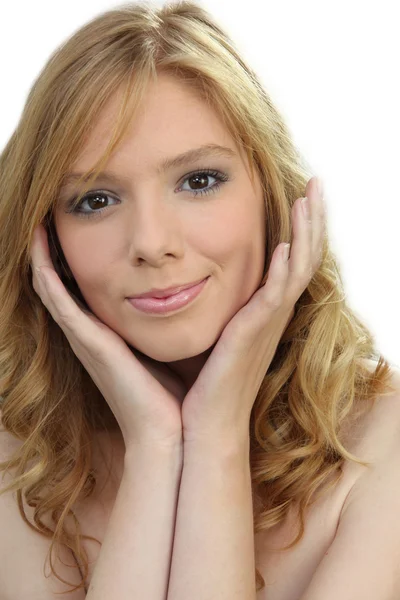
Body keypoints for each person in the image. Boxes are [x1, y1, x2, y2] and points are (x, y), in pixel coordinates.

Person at [0, 1, 399, 599]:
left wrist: (216, 435)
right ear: (48, 242)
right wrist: (156, 448)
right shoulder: (19, 459)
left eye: (199, 181)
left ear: (273, 196)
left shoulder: (384, 449)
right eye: (95, 200)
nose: (152, 244)